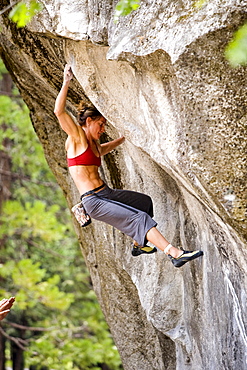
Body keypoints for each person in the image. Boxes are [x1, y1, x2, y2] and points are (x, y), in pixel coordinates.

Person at [54, 64, 203, 268]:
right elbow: (58, 111)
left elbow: (103, 150)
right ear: (88, 121)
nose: (103, 129)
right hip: (93, 201)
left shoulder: (94, 145)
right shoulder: (77, 137)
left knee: (144, 203)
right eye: (100, 124)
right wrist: (66, 81)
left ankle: (138, 244)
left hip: (105, 193)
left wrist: (124, 137)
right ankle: (174, 253)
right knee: (139, 218)